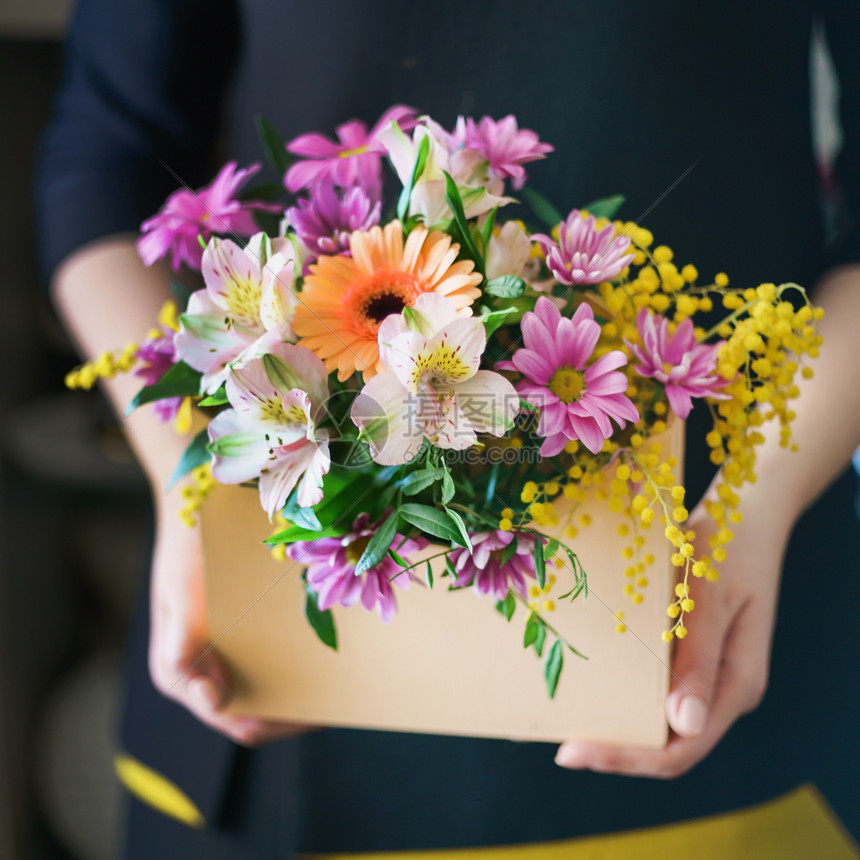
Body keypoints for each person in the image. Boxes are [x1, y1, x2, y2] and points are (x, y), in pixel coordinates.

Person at [36, 1, 860, 856]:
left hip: (713, 651)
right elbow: (99, 163)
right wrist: (195, 475)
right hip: (276, 706)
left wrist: (754, 510)